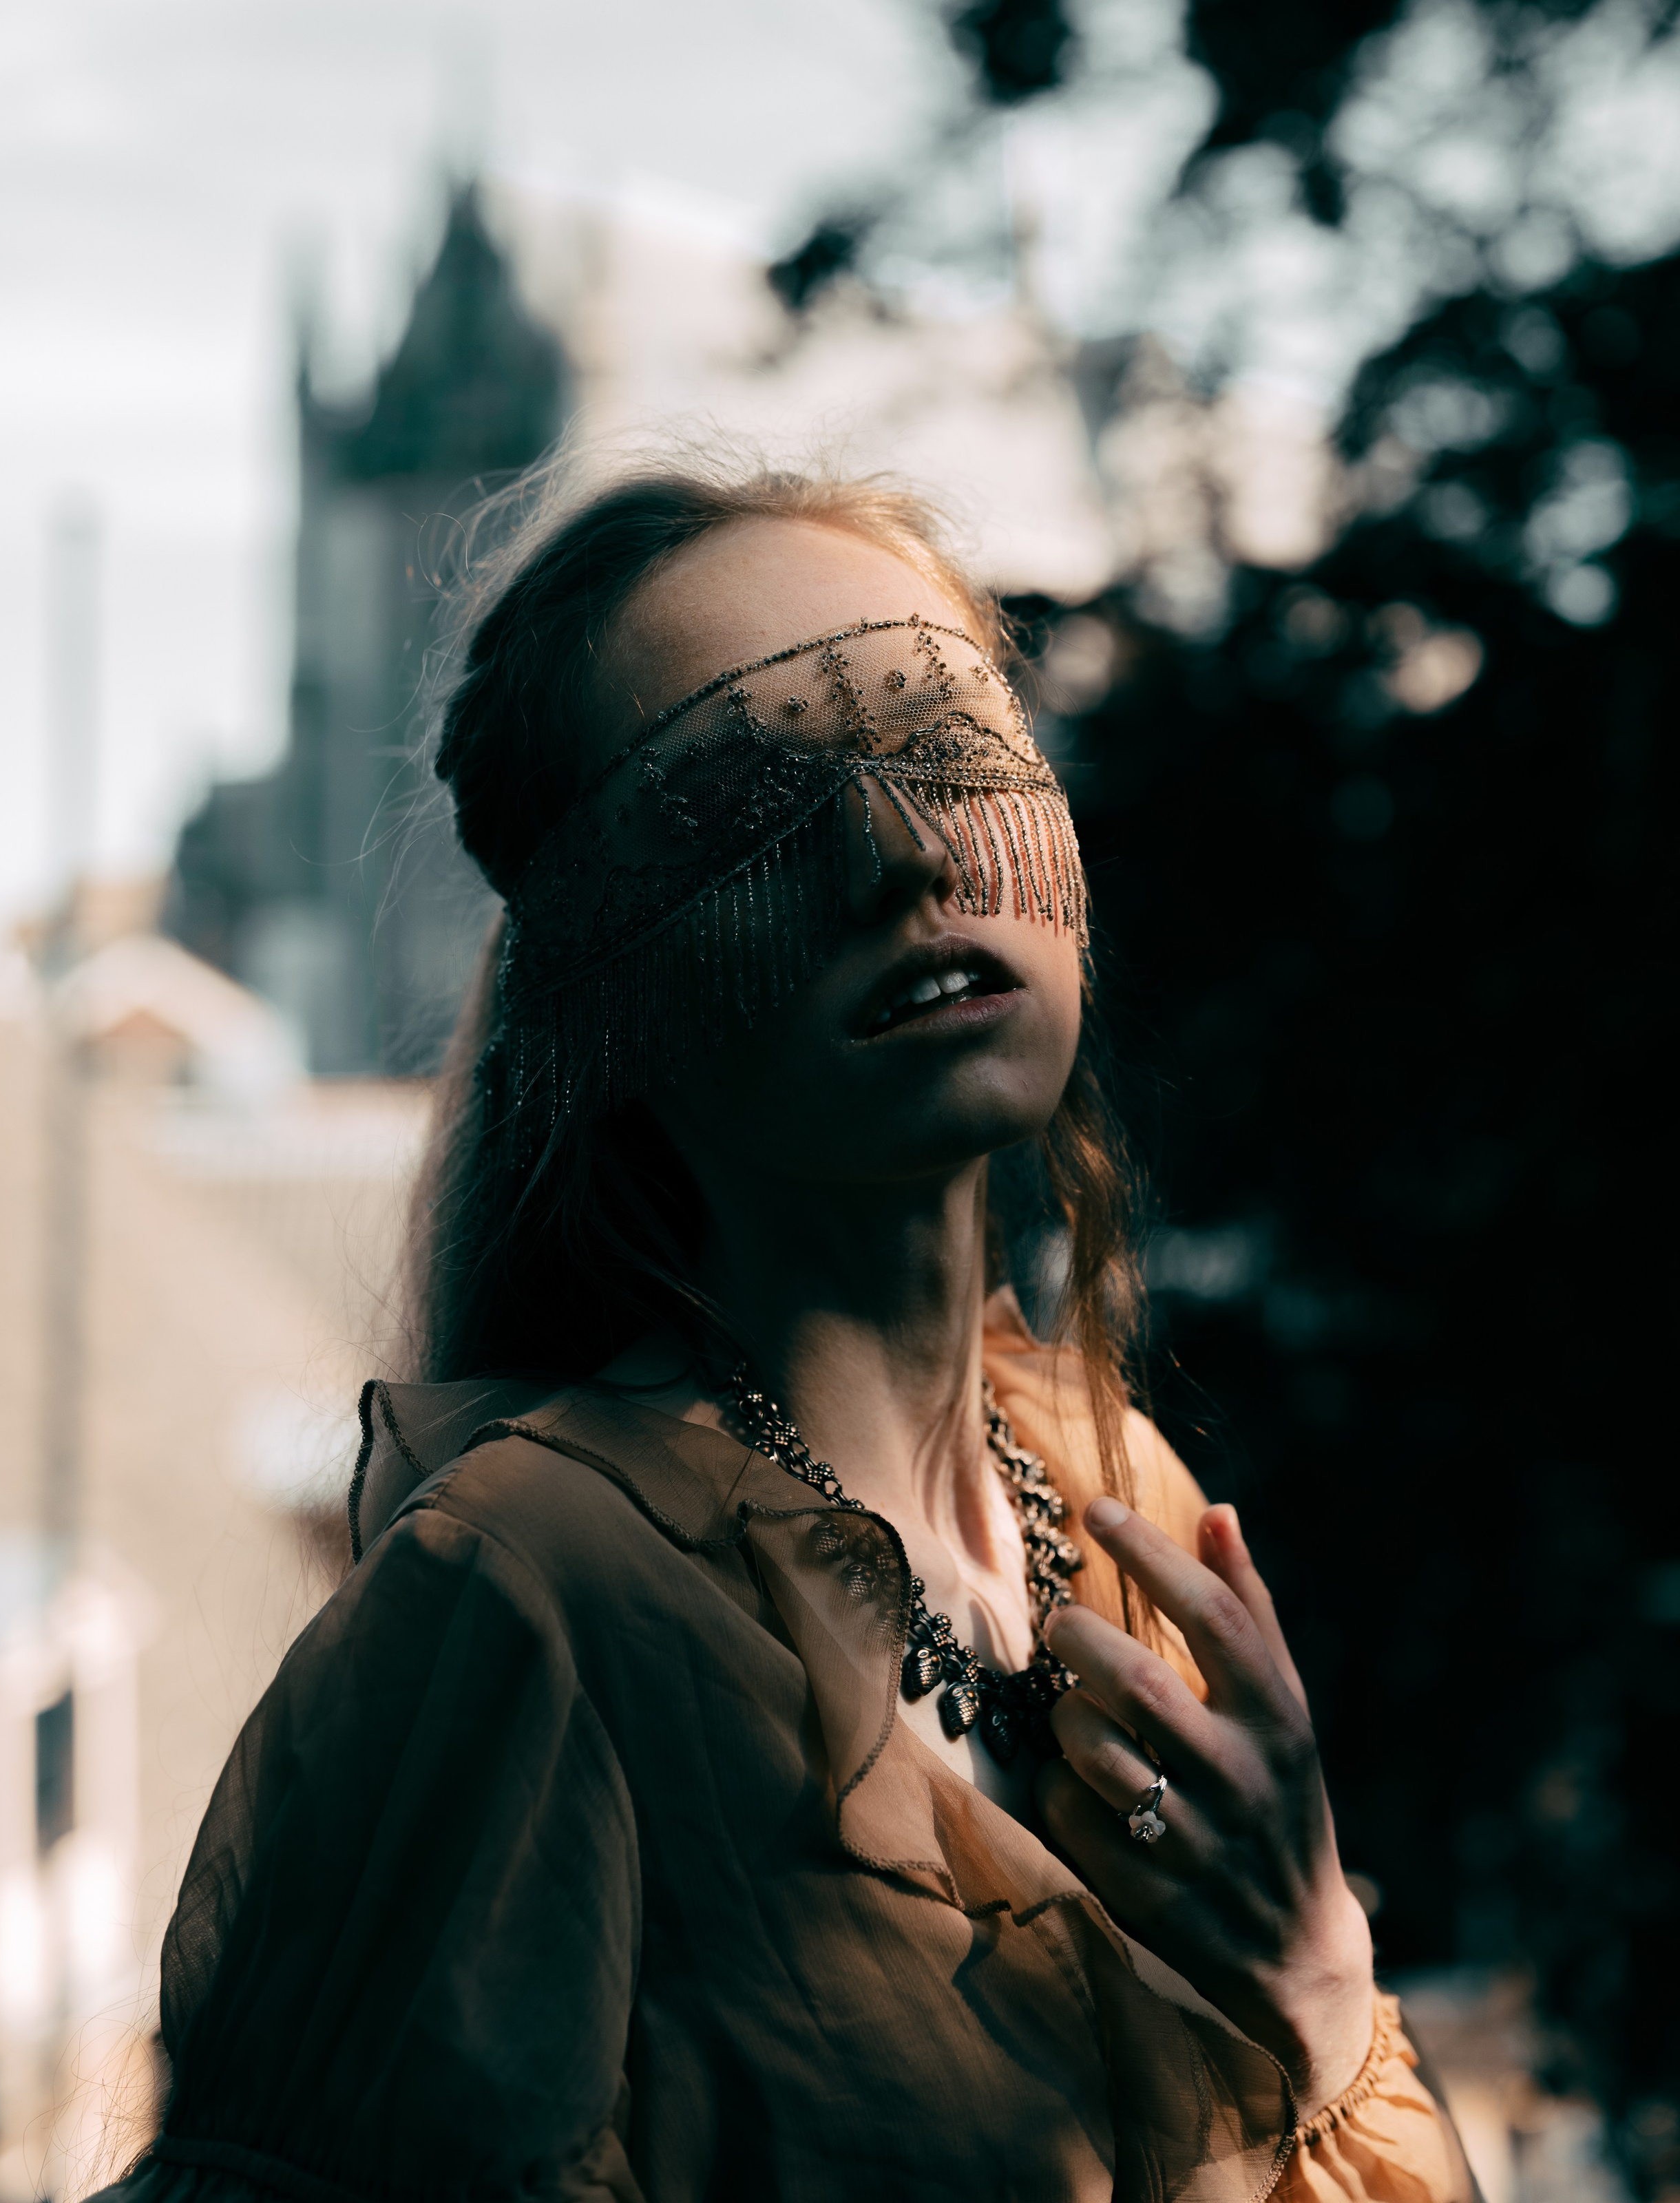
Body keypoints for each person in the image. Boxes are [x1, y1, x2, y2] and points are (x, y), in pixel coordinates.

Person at [102, 463, 1476, 2202]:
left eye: (944, 743)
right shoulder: (520, 1606)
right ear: (599, 996)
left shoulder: (1107, 1481)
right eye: (742, 810)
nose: (905, 850)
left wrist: (1320, 1985)